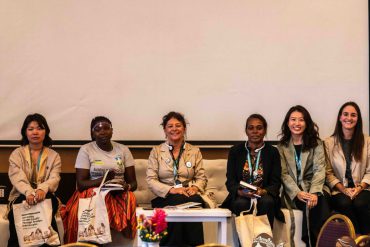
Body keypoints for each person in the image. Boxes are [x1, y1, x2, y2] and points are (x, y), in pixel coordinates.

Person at [61, 116, 137, 243]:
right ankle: (97, 239)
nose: (102, 132)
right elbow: (81, 184)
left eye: (106, 128)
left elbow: (133, 183)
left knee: (131, 196)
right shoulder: (86, 149)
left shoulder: (123, 149)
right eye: (97, 129)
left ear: (112, 131)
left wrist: (126, 187)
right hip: (92, 192)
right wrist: (104, 180)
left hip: (118, 193)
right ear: (92, 133)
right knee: (101, 198)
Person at [146, 111, 207, 246]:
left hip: (190, 195)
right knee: (179, 200)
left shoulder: (194, 151)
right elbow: (151, 180)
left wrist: (195, 187)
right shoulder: (156, 151)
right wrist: (172, 190)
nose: (174, 129)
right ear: (165, 130)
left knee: (195, 200)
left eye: (178, 125)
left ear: (184, 128)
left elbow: (201, 177)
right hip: (164, 197)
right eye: (170, 126)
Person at [278, 105, 330, 246]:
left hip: (314, 186)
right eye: (293, 119)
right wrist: (297, 192)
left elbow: (320, 170)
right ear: (288, 123)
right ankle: (310, 242)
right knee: (305, 203)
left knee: (319, 203)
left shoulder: (316, 144)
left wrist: (314, 192)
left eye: (301, 120)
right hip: (293, 191)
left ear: (306, 123)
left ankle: (322, 241)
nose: (297, 123)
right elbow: (283, 174)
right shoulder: (281, 147)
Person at [7, 113, 61, 246]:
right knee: (20, 206)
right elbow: (17, 178)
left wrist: (42, 189)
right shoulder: (16, 154)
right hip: (21, 195)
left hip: (46, 196)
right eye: (30, 129)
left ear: (46, 131)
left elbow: (55, 178)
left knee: (48, 203)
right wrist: (29, 192)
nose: (35, 132)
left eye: (39, 128)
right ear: (25, 132)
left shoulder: (54, 156)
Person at [221, 114, 284, 228]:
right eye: (251, 128)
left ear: (264, 131)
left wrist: (262, 191)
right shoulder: (235, 151)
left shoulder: (273, 152)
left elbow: (276, 183)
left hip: (264, 194)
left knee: (267, 202)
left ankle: (264, 242)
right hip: (242, 195)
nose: (255, 131)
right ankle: (245, 243)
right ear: (246, 131)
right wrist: (240, 192)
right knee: (241, 203)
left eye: (259, 128)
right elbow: (230, 181)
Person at [325, 102, 370, 234]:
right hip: (339, 190)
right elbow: (328, 173)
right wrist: (344, 189)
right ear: (340, 117)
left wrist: (359, 188)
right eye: (345, 114)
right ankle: (359, 238)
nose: (349, 118)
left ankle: (363, 238)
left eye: (353, 115)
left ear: (358, 119)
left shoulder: (367, 141)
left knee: (360, 204)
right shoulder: (328, 142)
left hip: (363, 188)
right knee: (345, 204)